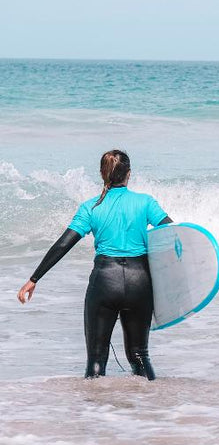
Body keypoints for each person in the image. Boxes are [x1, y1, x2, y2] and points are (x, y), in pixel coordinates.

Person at [16, 150, 172, 379]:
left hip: (105, 282)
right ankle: (152, 400)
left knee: (97, 359)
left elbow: (63, 244)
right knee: (140, 355)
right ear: (129, 174)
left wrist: (34, 278)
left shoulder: (91, 207)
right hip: (140, 283)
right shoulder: (146, 202)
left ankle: (94, 402)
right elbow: (173, 235)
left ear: (102, 173)